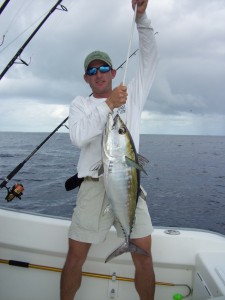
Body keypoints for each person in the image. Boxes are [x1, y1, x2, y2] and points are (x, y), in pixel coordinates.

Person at [60, 0, 158, 299]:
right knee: (76, 255)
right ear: (86, 78)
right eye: (92, 71)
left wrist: (141, 18)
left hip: (128, 183)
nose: (99, 73)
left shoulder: (132, 94)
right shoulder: (80, 104)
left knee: (143, 255)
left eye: (104, 68)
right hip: (92, 186)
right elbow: (78, 137)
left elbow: (150, 56)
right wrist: (108, 106)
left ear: (114, 72)